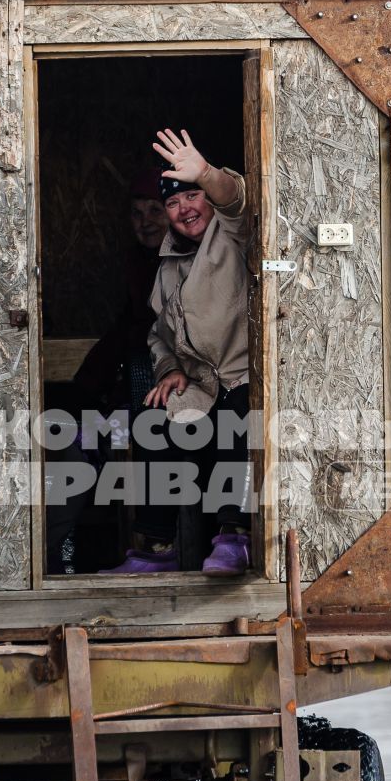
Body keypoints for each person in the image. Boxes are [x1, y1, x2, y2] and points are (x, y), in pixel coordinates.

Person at [102, 129, 254, 576]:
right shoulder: (167, 265)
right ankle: (156, 548)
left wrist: (206, 174)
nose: (185, 209)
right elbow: (159, 335)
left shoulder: (231, 234)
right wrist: (169, 368)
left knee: (237, 416)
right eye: (173, 203)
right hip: (203, 385)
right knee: (153, 419)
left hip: (243, 376)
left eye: (192, 197)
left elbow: (236, 200)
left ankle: (235, 539)